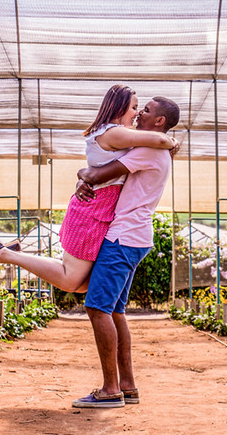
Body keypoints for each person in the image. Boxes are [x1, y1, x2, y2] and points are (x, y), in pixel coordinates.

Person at [0, 85, 177, 291]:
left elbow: (98, 168)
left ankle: (11, 254)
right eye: (134, 107)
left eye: (141, 109)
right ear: (119, 108)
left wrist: (82, 176)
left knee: (83, 285)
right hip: (94, 208)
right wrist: (173, 141)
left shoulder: (120, 135)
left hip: (102, 209)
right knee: (70, 280)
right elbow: (159, 139)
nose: (138, 113)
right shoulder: (114, 133)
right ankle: (5, 254)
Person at [70, 95, 181, 409]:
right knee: (115, 311)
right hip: (136, 237)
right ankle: (127, 385)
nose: (140, 112)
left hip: (123, 238)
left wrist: (84, 175)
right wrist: (86, 176)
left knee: (97, 308)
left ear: (159, 121)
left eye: (145, 110)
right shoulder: (154, 150)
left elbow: (97, 175)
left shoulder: (147, 149)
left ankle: (110, 389)